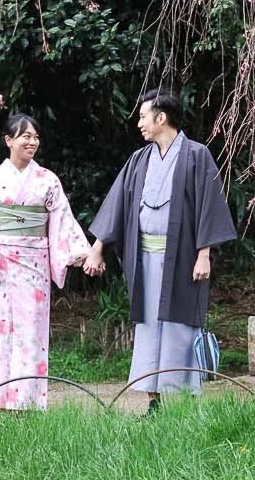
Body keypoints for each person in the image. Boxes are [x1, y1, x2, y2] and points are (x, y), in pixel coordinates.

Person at [84, 88, 236, 404]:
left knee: (181, 324)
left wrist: (203, 255)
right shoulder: (139, 160)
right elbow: (118, 204)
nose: (139, 123)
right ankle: (154, 398)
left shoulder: (197, 155)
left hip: (182, 259)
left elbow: (209, 206)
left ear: (161, 117)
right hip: (144, 259)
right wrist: (97, 247)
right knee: (149, 327)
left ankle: (184, 398)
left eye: (143, 116)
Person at [0, 112, 92, 410]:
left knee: (31, 332)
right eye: (26, 136)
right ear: (9, 140)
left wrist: (83, 253)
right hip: (0, 266)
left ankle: (28, 401)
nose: (32, 142)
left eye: (35, 137)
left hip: (35, 264)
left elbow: (62, 218)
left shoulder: (48, 180)